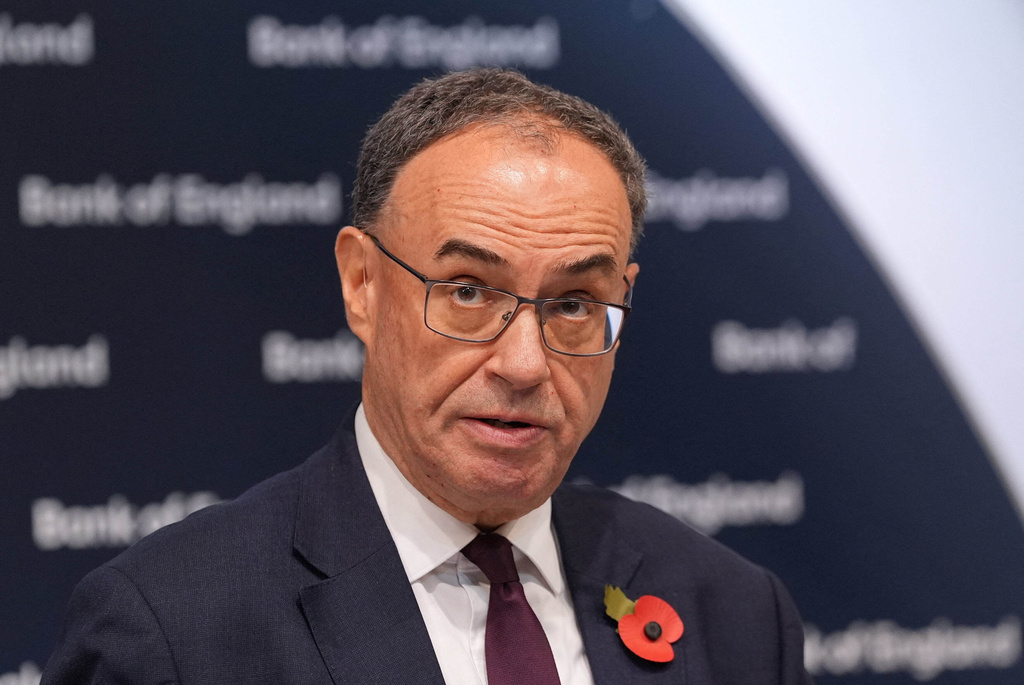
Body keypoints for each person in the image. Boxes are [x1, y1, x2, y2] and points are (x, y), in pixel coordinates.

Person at [43, 68, 812, 684]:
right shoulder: (174, 633)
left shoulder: (735, 616)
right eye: (469, 291)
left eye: (576, 302)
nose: (524, 364)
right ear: (362, 285)